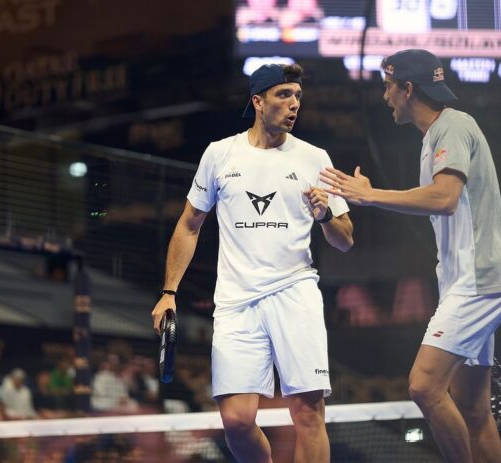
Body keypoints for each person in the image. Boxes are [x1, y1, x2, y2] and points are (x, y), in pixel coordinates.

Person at [320, 49, 501, 463]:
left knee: (424, 386)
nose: (384, 96)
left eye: (389, 86)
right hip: (464, 283)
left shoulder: (453, 126)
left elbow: (444, 198)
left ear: (408, 89)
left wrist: (369, 195)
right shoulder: (432, 140)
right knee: (474, 408)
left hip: (478, 282)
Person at [151, 63, 354, 463]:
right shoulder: (219, 154)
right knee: (237, 421)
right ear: (258, 101)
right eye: (284, 95)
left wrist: (326, 215)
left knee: (308, 413)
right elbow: (189, 226)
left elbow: (345, 239)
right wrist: (168, 292)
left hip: (295, 292)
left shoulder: (316, 158)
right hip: (235, 301)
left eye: (298, 96)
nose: (294, 104)